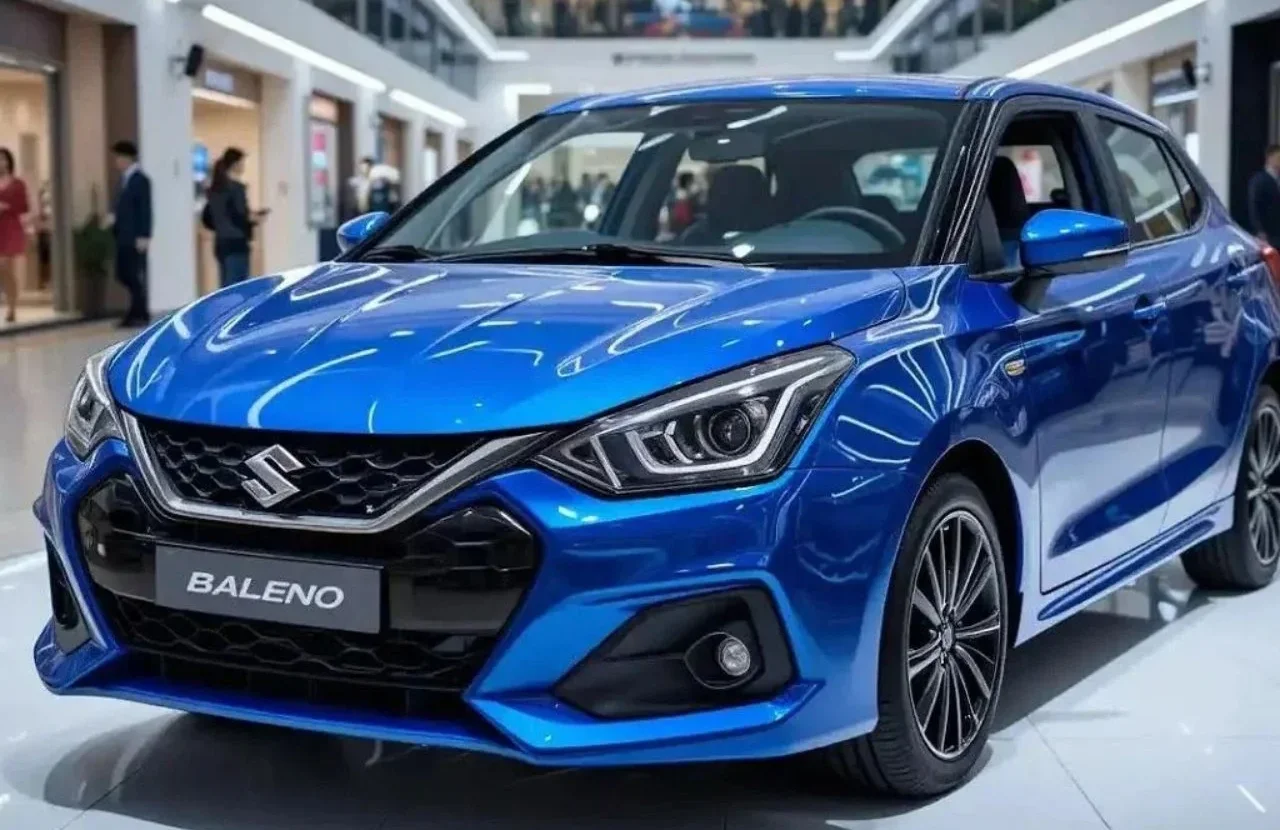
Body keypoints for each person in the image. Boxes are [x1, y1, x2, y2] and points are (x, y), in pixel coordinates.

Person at [206, 147, 267, 288]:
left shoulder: (215, 189)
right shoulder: (237, 188)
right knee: (238, 288)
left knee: (226, 288)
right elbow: (241, 217)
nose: (243, 166)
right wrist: (256, 219)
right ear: (235, 164)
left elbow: (214, 217)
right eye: (241, 162)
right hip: (237, 243)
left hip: (221, 243)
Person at [110, 140, 151, 327]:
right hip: (122, 235)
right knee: (123, 273)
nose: (116, 162)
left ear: (127, 158)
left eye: (118, 157)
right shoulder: (123, 180)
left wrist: (144, 235)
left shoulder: (141, 180)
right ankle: (138, 311)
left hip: (135, 236)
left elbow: (145, 209)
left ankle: (139, 313)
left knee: (133, 274)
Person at [0, 148, 29, 324]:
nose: (1, 163)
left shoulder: (18, 184)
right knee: (2, 270)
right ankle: (8, 302)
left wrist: (6, 207)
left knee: (6, 266)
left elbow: (24, 206)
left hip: (11, 227)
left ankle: (12, 308)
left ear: (9, 161)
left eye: (3, 159)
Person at [1247, 144, 1280, 246]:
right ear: (1270, 159)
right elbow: (1254, 207)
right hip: (1267, 234)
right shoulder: (1259, 180)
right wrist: (1259, 230)